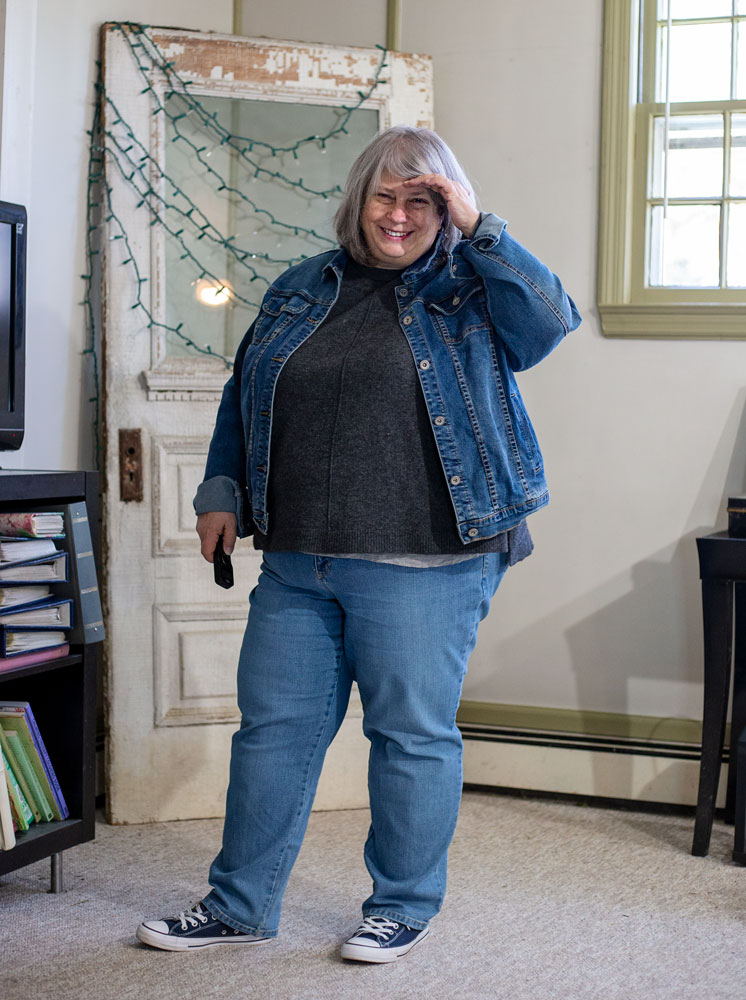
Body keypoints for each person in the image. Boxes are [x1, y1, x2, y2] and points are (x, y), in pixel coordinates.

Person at [136, 126, 581, 962]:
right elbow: (245, 395)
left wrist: (480, 225)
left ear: (448, 207)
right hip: (301, 560)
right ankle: (238, 904)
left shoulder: (472, 286)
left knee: (409, 736)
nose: (401, 214)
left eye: (425, 199)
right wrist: (220, 491)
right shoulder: (303, 287)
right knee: (271, 732)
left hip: (429, 560)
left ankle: (402, 906)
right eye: (386, 195)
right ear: (357, 200)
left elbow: (552, 324)